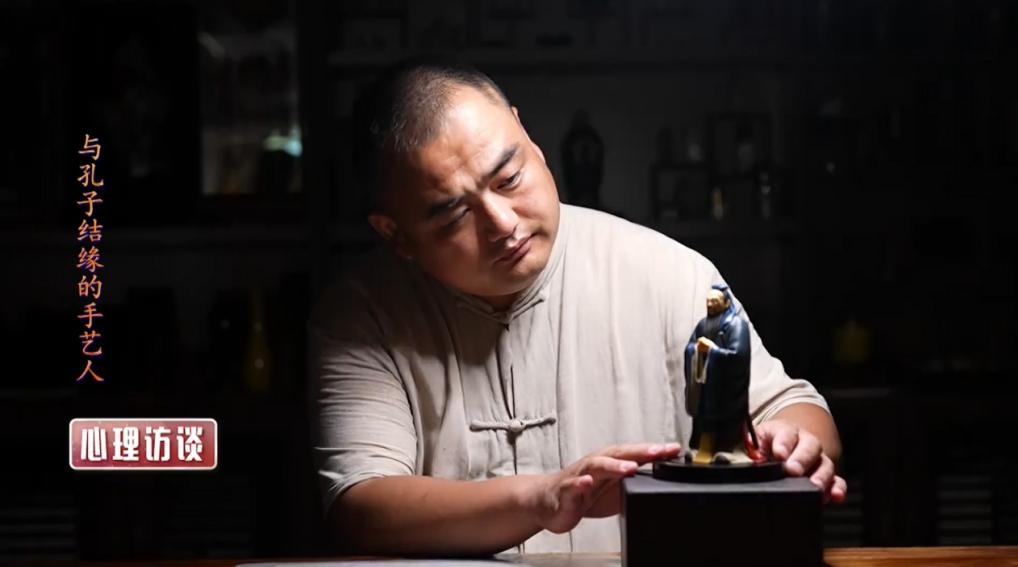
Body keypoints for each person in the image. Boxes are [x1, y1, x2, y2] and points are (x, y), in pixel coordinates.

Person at [309, 59, 845, 556]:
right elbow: (362, 504)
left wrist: (796, 443)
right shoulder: (363, 315)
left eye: (509, 178)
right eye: (453, 216)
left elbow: (793, 408)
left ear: (528, 137)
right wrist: (542, 498)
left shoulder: (664, 270)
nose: (502, 223)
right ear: (395, 234)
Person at [684, 284, 758, 465]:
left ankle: (728, 449)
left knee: (727, 420)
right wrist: (695, 350)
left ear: (726, 303)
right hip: (705, 383)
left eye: (715, 301)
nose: (710, 305)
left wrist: (713, 350)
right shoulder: (702, 324)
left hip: (726, 387)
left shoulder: (736, 324)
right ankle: (701, 447)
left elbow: (739, 354)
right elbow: (690, 347)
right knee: (701, 417)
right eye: (708, 301)